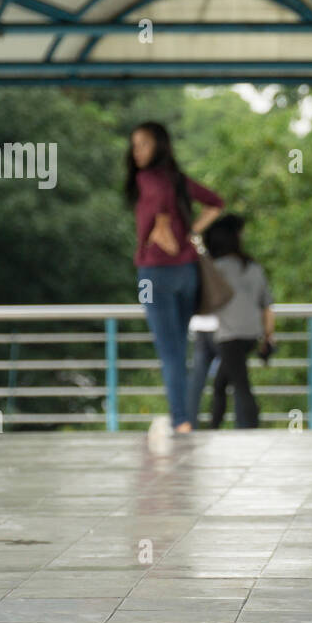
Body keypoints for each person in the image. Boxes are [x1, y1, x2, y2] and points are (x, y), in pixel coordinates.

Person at [125, 121, 223, 434]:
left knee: (168, 352)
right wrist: (191, 232)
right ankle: (185, 418)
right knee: (179, 350)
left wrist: (163, 231)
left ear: (159, 146)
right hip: (187, 273)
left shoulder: (147, 180)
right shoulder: (177, 179)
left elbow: (160, 213)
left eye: (143, 144)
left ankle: (180, 420)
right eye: (134, 144)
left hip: (152, 275)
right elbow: (216, 203)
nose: (136, 151)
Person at [202, 214, 275, 430]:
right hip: (252, 334)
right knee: (221, 383)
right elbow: (267, 306)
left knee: (241, 385)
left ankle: (251, 427)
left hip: (229, 335)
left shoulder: (217, 268)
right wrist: (268, 337)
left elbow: (205, 300)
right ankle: (213, 427)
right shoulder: (253, 267)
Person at [185, 313, 220, 427]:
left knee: (195, 384)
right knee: (231, 381)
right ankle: (239, 426)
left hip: (199, 327)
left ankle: (189, 426)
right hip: (224, 327)